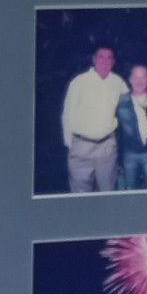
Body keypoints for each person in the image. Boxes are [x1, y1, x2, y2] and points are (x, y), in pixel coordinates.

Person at [61, 45, 124, 192]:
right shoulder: (79, 82)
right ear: (94, 59)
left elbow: (132, 102)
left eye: (109, 58)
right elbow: (67, 115)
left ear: (113, 62)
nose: (105, 61)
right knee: (80, 199)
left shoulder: (118, 82)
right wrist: (72, 146)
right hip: (81, 148)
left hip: (107, 149)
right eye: (101, 57)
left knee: (107, 195)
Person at [113, 63, 147, 190]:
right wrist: (118, 160)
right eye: (136, 77)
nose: (139, 82)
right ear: (130, 79)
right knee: (130, 190)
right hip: (129, 154)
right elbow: (116, 130)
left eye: (143, 78)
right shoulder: (121, 101)